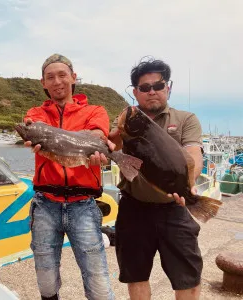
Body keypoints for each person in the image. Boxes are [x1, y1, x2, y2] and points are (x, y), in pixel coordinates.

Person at [109, 58, 204, 300]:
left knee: (188, 278)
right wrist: (120, 130)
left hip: (174, 207)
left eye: (158, 85)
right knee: (136, 275)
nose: (152, 91)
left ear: (168, 88)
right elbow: (111, 145)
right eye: (144, 87)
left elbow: (193, 153)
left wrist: (188, 185)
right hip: (134, 207)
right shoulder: (127, 119)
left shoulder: (186, 119)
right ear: (135, 92)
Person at [24, 54, 115, 300]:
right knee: (45, 279)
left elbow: (97, 133)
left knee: (98, 281)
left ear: (73, 78)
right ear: (43, 82)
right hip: (45, 204)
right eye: (50, 77)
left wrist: (97, 145)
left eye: (62, 75)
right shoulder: (36, 113)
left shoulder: (95, 111)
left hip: (84, 205)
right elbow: (35, 128)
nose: (57, 81)